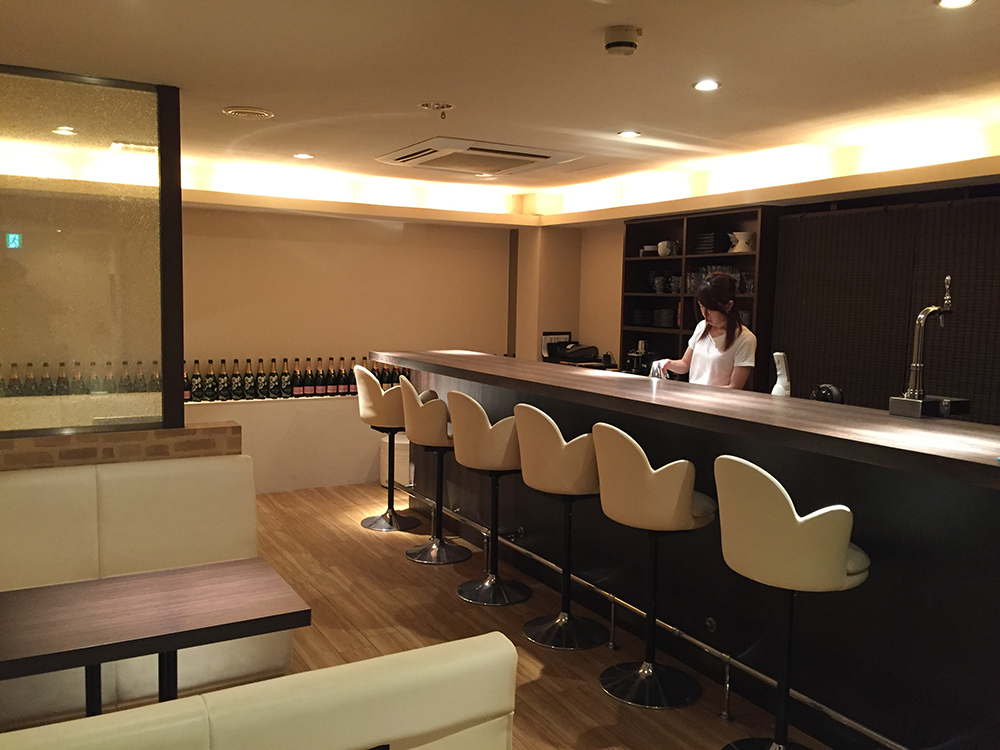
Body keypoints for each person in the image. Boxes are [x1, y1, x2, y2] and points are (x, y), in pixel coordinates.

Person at [650, 272, 756, 389]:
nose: (705, 314)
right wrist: (668, 363)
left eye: (710, 309)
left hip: (717, 400)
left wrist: (703, 393)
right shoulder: (701, 327)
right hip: (694, 397)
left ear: (729, 305)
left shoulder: (745, 339)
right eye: (701, 306)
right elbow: (685, 364)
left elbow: (735, 387)